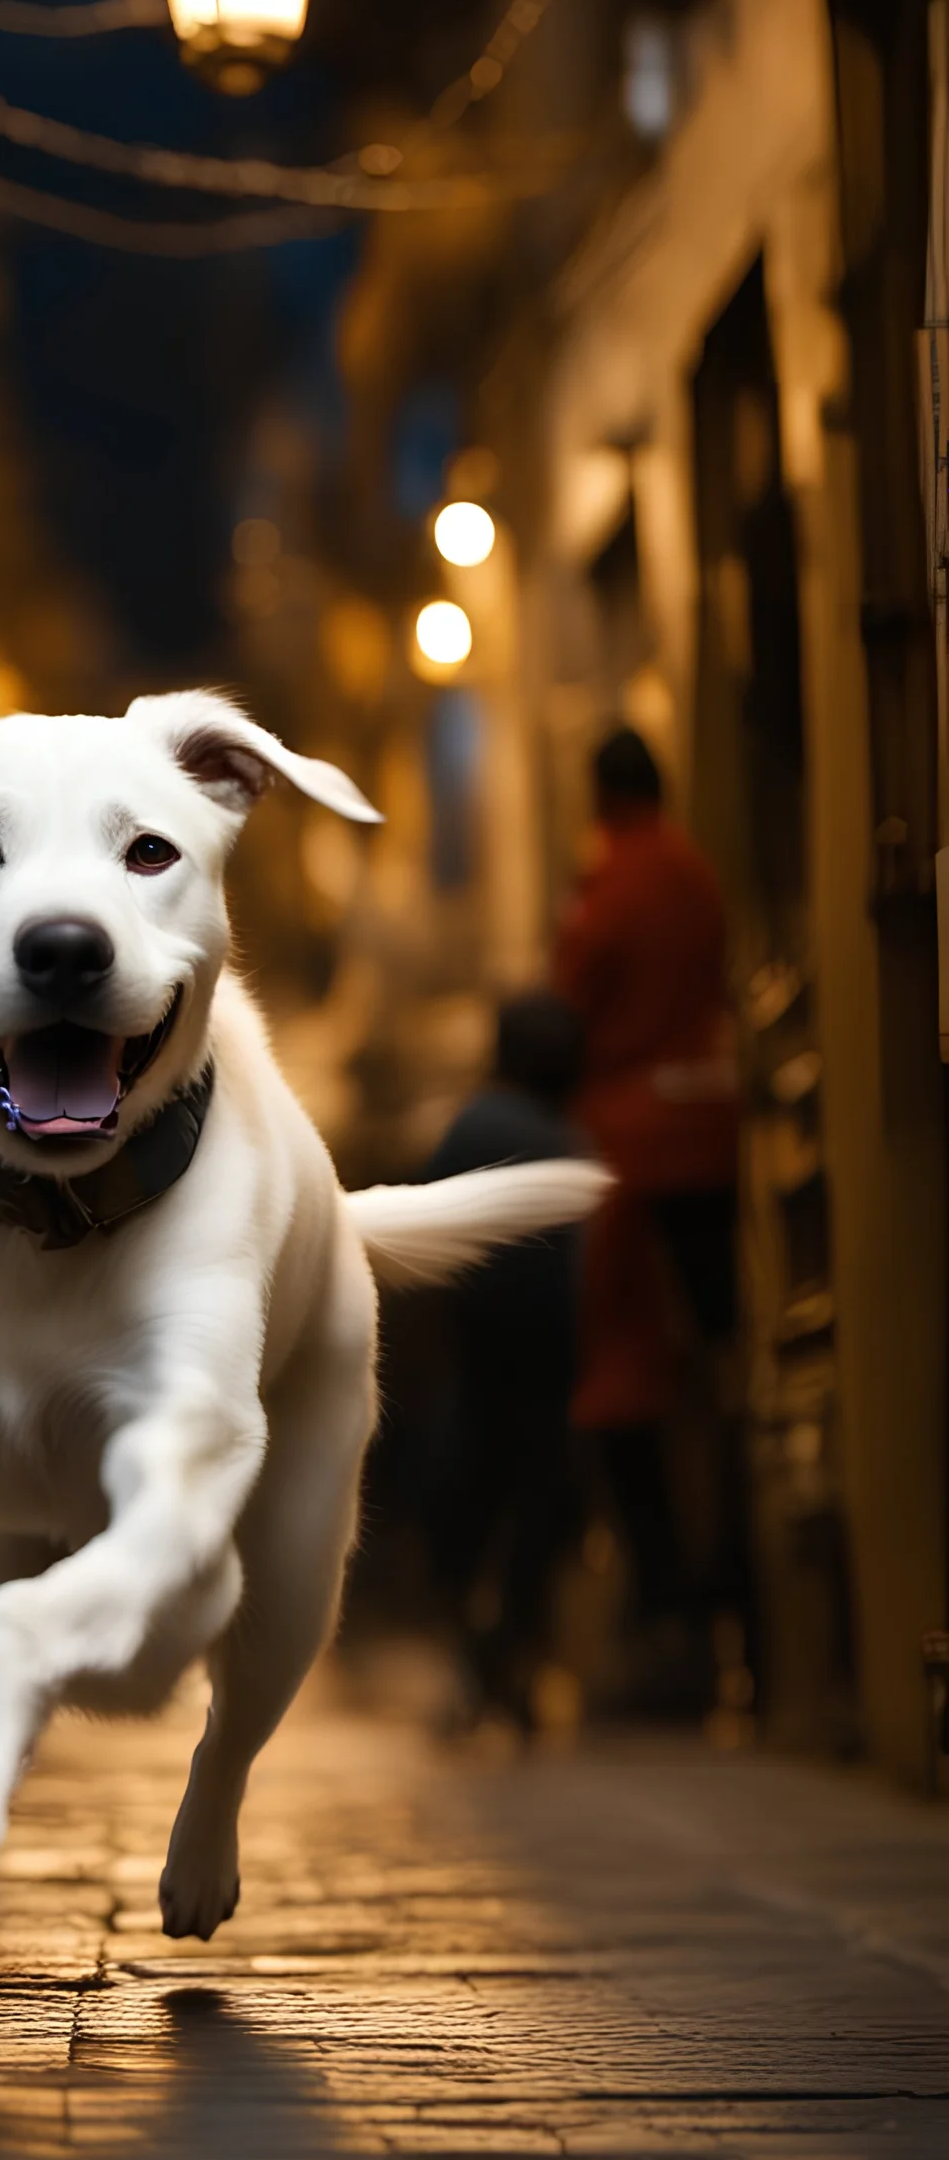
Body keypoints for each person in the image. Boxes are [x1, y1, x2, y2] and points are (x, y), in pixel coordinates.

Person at [552, 726, 746, 1704]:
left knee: (623, 1373)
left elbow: (570, 999)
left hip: (630, 1150)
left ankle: (665, 1604)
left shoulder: (610, 888)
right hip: (715, 1135)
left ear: (600, 796)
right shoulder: (698, 877)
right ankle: (736, 1583)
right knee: (727, 1363)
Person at [419, 990, 590, 1727]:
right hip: (555, 1363)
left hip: (477, 1356)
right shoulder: (572, 1141)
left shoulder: (469, 1128)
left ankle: (478, 1656)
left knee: (468, 1510)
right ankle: (510, 1656)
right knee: (542, 1515)